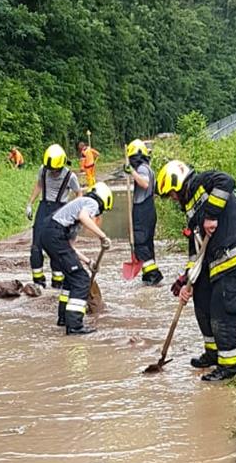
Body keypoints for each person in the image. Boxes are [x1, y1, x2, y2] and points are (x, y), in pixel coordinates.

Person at [156, 159, 236, 381]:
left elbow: (227, 180)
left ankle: (231, 367)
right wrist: (186, 280)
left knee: (223, 314)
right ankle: (213, 354)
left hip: (235, 259)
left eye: (172, 193)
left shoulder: (203, 183)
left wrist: (211, 215)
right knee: (203, 303)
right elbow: (195, 253)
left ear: (179, 184)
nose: (173, 199)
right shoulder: (191, 209)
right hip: (217, 264)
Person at [39, 183, 113, 335]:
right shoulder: (91, 202)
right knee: (81, 280)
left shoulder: (74, 213)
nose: (96, 215)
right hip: (54, 235)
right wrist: (103, 236)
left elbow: (70, 247)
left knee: (71, 278)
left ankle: (64, 319)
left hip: (49, 235)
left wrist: (88, 261)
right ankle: (75, 325)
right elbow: (84, 217)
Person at [25, 145, 80, 291]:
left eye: (55, 170)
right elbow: (39, 185)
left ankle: (58, 281)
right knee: (36, 247)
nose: (52, 172)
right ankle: (38, 281)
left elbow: (79, 194)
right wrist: (30, 203)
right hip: (44, 208)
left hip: (61, 210)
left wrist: (75, 214)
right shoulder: (43, 170)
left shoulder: (70, 177)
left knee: (56, 246)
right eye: (50, 170)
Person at [124, 139, 162, 284]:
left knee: (140, 244)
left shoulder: (142, 169)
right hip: (148, 209)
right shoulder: (147, 168)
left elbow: (145, 184)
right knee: (147, 244)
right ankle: (148, 276)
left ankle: (153, 274)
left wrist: (132, 172)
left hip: (143, 210)